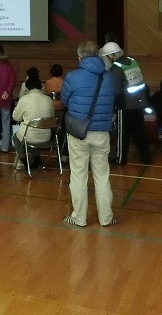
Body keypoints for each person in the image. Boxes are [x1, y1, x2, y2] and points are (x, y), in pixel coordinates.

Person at [60, 40, 117, 227]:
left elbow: (64, 101)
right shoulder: (109, 77)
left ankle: (79, 218)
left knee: (78, 175)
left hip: (79, 131)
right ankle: (106, 218)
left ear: (79, 57)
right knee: (102, 175)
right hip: (102, 132)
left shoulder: (72, 77)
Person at [101, 41, 151, 165]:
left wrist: (111, 103)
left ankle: (120, 158)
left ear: (111, 55)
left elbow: (116, 90)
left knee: (123, 133)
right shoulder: (132, 61)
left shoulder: (116, 68)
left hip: (125, 105)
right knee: (140, 131)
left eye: (107, 56)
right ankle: (146, 157)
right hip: (139, 102)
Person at [11, 69, 55, 171]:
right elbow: (52, 116)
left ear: (27, 86)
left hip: (29, 135)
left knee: (18, 138)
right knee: (30, 134)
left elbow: (16, 117)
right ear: (40, 86)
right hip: (46, 136)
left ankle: (25, 162)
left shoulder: (24, 99)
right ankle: (36, 159)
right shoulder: (48, 99)